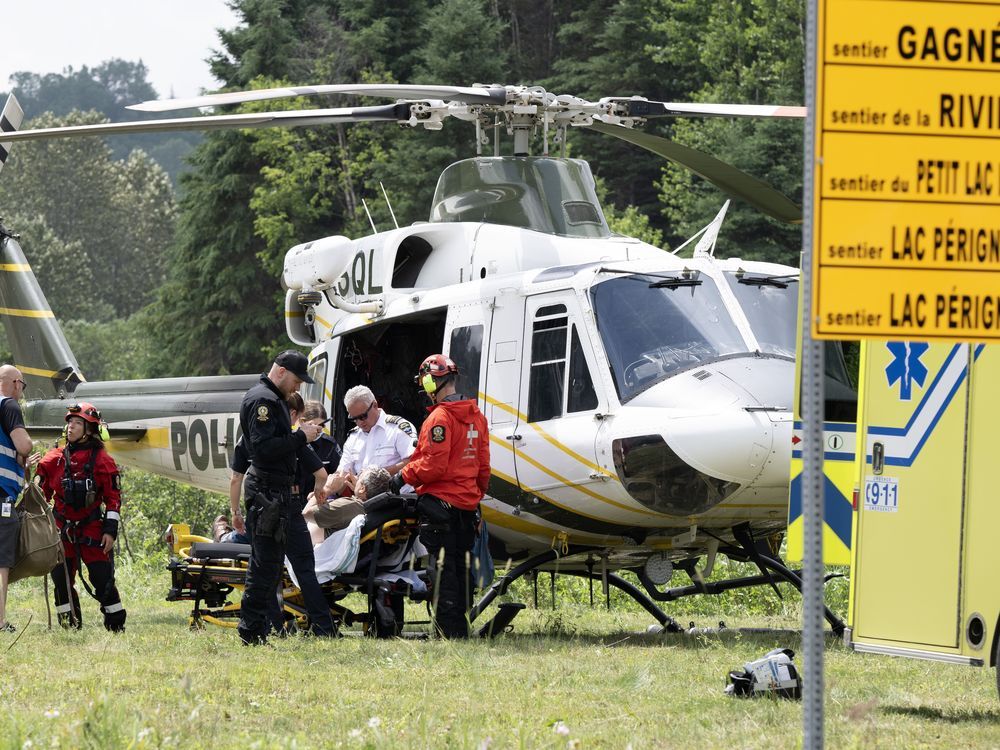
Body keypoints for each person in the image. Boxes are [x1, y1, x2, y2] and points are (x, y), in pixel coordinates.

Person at [391, 354, 489, 638]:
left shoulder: (440, 418)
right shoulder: (477, 417)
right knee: (461, 567)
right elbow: (483, 467)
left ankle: (449, 631)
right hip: (467, 507)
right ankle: (461, 625)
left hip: (441, 507)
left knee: (443, 570)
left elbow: (433, 466)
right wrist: (475, 498)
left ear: (432, 381)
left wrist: (402, 477)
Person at [237, 350, 324, 645]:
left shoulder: (270, 398)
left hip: (274, 492)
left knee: (270, 563)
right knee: (264, 564)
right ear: (282, 371)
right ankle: (251, 630)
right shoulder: (264, 400)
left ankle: (256, 628)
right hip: (267, 492)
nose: (298, 387)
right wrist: (302, 436)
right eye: (297, 381)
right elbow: (263, 449)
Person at [36, 402, 126, 631]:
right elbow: (40, 497)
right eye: (69, 423)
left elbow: (113, 499)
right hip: (60, 530)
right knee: (61, 582)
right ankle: (69, 626)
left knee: (102, 579)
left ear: (89, 429)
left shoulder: (103, 461)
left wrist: (110, 531)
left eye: (77, 423)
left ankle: (115, 625)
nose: (71, 428)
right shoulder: (53, 460)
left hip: (92, 529)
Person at [328, 386, 415, 496]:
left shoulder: (397, 428)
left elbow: (414, 461)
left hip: (397, 498)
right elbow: (342, 472)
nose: (359, 423)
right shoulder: (353, 437)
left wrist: (375, 476)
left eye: (363, 416)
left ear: (375, 405)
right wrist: (325, 490)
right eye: (354, 419)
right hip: (363, 500)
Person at [0, 365, 33, 633]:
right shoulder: (8, 405)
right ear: (14, 383)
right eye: (22, 385)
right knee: (1, 562)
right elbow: (24, 446)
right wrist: (26, 453)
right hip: (1, 495)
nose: (22, 391)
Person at [303, 465, 391, 543]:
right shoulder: (373, 507)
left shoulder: (348, 506)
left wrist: (327, 488)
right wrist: (358, 489)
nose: (355, 477)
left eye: (359, 476)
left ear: (363, 488)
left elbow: (306, 513)